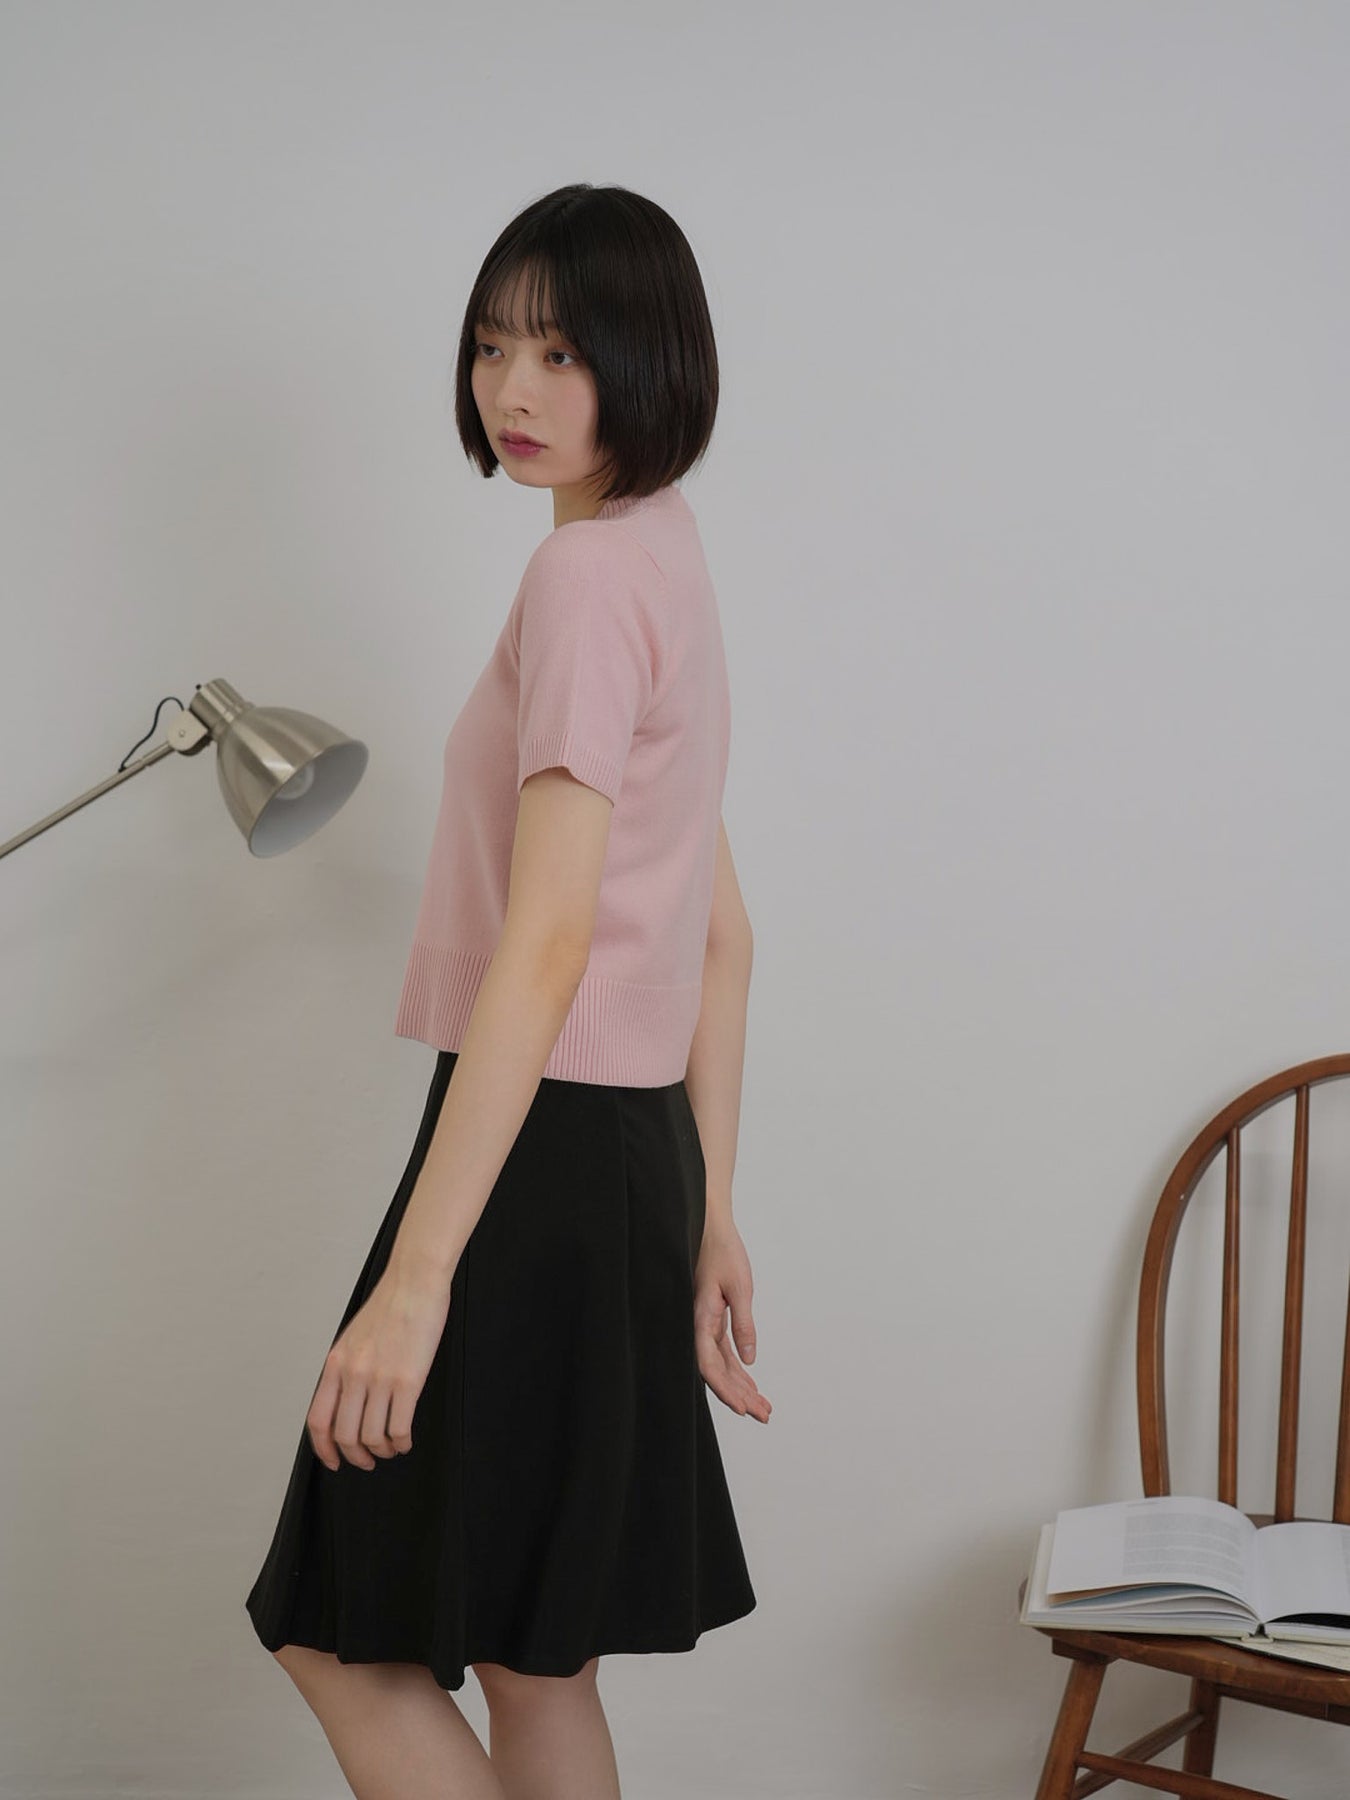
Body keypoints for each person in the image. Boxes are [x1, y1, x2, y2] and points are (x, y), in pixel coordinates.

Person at [243, 181, 769, 1800]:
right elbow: (721, 932)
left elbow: (548, 947)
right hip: (626, 1158)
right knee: (541, 1662)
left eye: (561, 352)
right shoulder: (663, 555)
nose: (513, 390)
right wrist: (707, 1207)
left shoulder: (584, 584)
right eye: (489, 347)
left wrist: (414, 1283)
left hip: (535, 1153)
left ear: (648, 362)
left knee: (336, 1637)